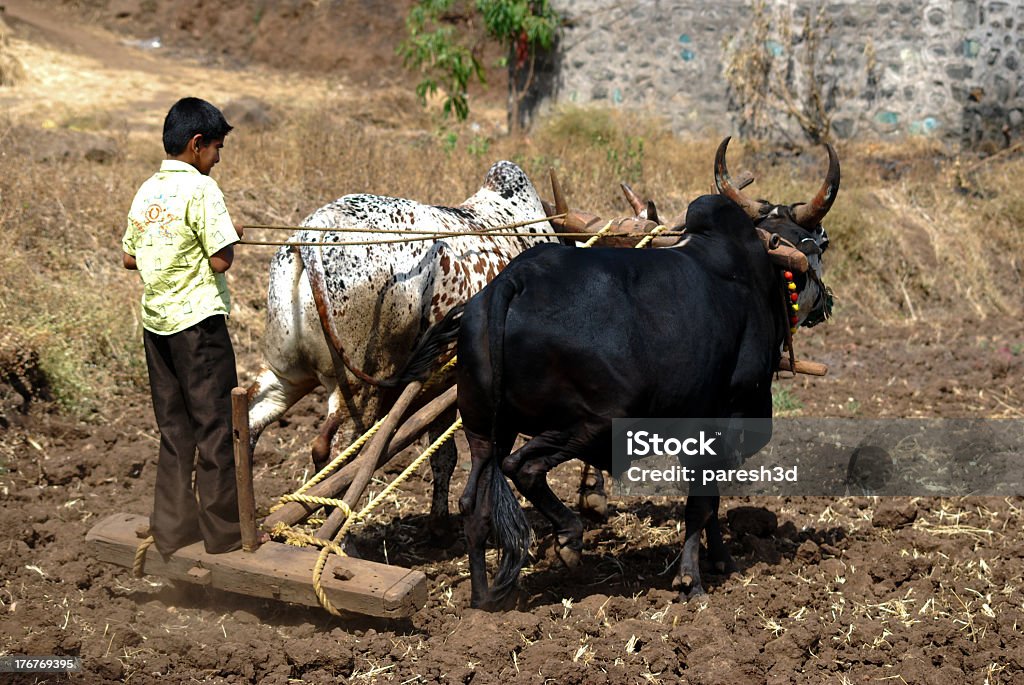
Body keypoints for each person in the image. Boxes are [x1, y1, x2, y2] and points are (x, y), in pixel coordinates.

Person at [122, 97, 244, 557]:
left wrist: (166, 250)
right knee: (215, 427)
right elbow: (220, 259)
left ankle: (172, 531)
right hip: (198, 326)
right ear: (196, 145)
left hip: (157, 328)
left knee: (175, 430)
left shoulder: (147, 190)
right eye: (216, 148)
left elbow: (130, 257)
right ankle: (224, 536)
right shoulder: (202, 190)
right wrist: (223, 239)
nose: (217, 158)